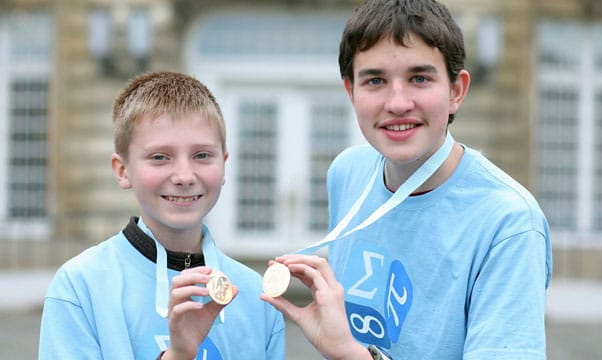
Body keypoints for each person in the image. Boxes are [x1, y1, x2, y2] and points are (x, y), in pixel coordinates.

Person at [261, 0, 552, 359]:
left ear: (456, 92)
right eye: (376, 80)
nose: (398, 103)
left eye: (419, 78)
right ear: (351, 92)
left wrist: (351, 353)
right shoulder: (346, 172)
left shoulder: (509, 223)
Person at [39, 71, 285, 359]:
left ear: (224, 164)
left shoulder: (256, 294)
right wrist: (178, 354)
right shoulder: (80, 287)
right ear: (122, 170)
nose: (184, 176)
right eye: (159, 157)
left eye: (202, 155)